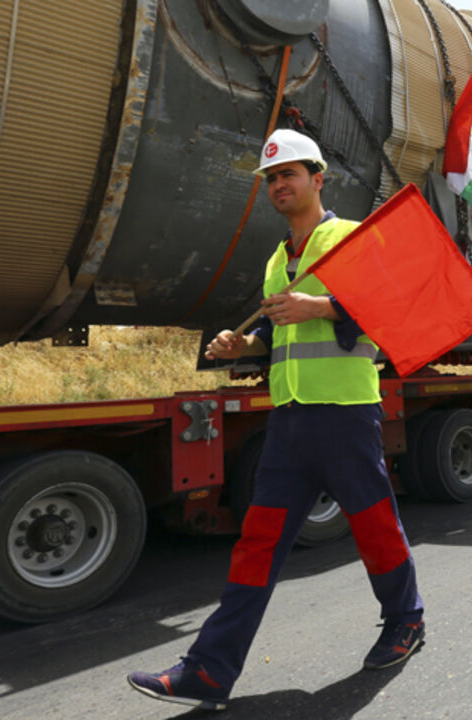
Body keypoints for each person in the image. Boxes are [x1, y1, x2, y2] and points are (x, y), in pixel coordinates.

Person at [127, 129, 425, 711]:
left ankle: (406, 621)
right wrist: (245, 346)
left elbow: (390, 305)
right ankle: (208, 672)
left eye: (289, 174)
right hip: (288, 422)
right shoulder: (275, 260)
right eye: (271, 179)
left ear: (318, 178)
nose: (279, 185)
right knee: (257, 545)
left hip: (344, 414)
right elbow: (276, 330)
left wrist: (322, 306)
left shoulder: (347, 238)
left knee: (374, 527)